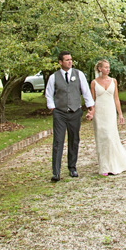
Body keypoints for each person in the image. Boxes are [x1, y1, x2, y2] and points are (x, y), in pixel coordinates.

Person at [45, 51, 94, 182]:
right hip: (60, 113)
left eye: (71, 59)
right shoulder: (53, 77)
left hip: (75, 111)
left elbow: (86, 91)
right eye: (67, 60)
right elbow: (49, 93)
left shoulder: (79, 74)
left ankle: (72, 167)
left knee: (74, 140)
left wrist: (90, 108)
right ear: (60, 62)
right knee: (58, 141)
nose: (70, 62)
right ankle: (56, 172)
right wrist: (52, 107)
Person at [90, 59, 126, 176]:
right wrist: (91, 112)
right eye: (105, 67)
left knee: (110, 137)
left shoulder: (113, 81)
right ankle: (104, 166)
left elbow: (116, 98)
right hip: (99, 114)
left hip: (110, 112)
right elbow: (92, 101)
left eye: (108, 67)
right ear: (100, 69)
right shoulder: (94, 83)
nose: (107, 69)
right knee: (101, 138)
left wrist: (120, 113)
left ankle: (114, 164)